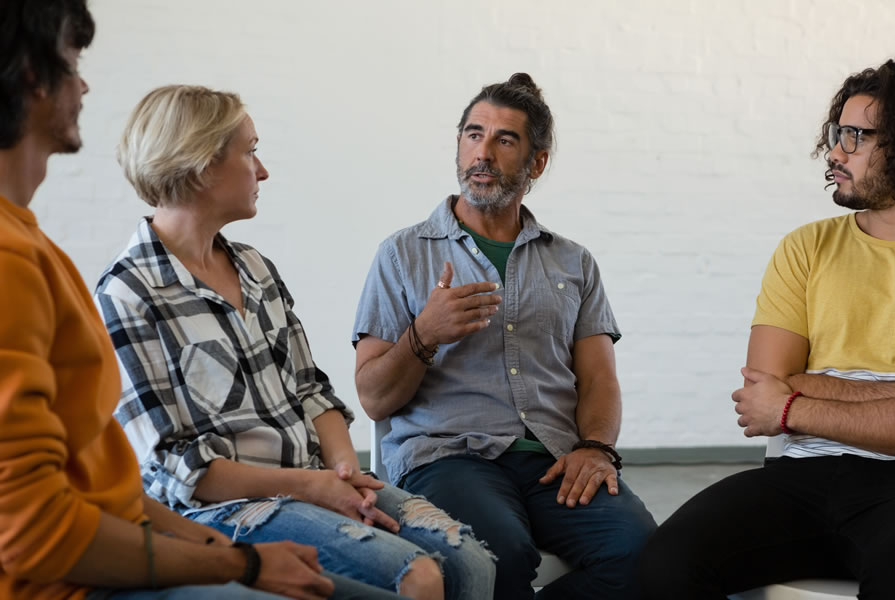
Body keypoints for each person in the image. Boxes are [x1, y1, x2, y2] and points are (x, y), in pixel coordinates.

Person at [0, 2, 403, 599]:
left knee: (446, 567)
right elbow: (36, 530)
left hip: (169, 530)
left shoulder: (36, 248)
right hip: (84, 579)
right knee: (404, 582)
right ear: (33, 77)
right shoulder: (27, 264)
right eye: (71, 60)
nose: (84, 83)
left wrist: (234, 553)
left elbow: (108, 484)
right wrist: (240, 563)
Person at [95, 84, 495, 600]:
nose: (262, 171)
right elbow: (179, 470)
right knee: (415, 574)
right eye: (250, 151)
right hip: (222, 510)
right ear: (200, 166)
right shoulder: (127, 293)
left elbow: (311, 391)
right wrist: (312, 486)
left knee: (472, 563)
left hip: (312, 479)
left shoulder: (256, 269)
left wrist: (343, 470)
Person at [352, 73, 657, 600]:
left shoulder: (573, 262)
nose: (483, 153)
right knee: (500, 556)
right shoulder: (402, 254)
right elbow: (373, 397)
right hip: (448, 458)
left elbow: (599, 378)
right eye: (473, 134)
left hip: (555, 460)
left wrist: (596, 448)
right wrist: (424, 334)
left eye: (504, 139)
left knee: (646, 559)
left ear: (536, 163)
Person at [638, 59, 895, 598]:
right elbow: (762, 389)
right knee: (662, 568)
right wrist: (882, 402)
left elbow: (778, 401)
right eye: (836, 134)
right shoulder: (807, 247)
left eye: (855, 137)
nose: (835, 152)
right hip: (800, 474)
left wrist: (794, 402)